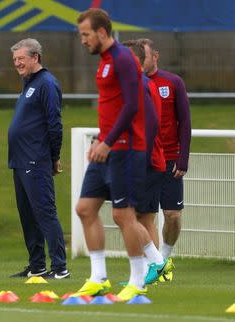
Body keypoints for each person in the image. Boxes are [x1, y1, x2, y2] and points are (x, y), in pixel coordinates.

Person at [75, 9, 163, 301]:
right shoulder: (103, 63)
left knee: (123, 214)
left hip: (125, 149)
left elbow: (131, 108)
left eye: (86, 35)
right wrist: (100, 139)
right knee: (85, 209)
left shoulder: (124, 59)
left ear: (102, 33)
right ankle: (99, 277)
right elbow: (112, 108)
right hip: (108, 146)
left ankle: (138, 280)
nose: (83, 41)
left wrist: (108, 141)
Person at [8, 38, 69, 279]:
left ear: (35, 58)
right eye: (15, 60)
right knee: (27, 215)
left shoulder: (47, 83)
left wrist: (54, 157)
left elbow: (55, 124)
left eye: (21, 58)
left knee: (45, 212)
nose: (17, 63)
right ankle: (37, 265)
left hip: (36, 159)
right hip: (19, 161)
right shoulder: (28, 84)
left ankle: (60, 267)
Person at [122, 40, 174, 284]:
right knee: (143, 217)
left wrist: (137, 155)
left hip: (146, 160)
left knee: (130, 216)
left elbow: (151, 125)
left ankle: (155, 264)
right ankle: (145, 274)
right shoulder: (142, 84)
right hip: (149, 158)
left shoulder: (140, 85)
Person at [140, 38, 191, 276]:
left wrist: (183, 158)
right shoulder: (131, 85)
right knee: (143, 216)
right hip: (142, 160)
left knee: (172, 215)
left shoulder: (173, 82)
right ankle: (150, 266)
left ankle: (165, 260)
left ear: (155, 56)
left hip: (170, 159)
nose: (140, 62)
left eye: (144, 57)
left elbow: (185, 122)